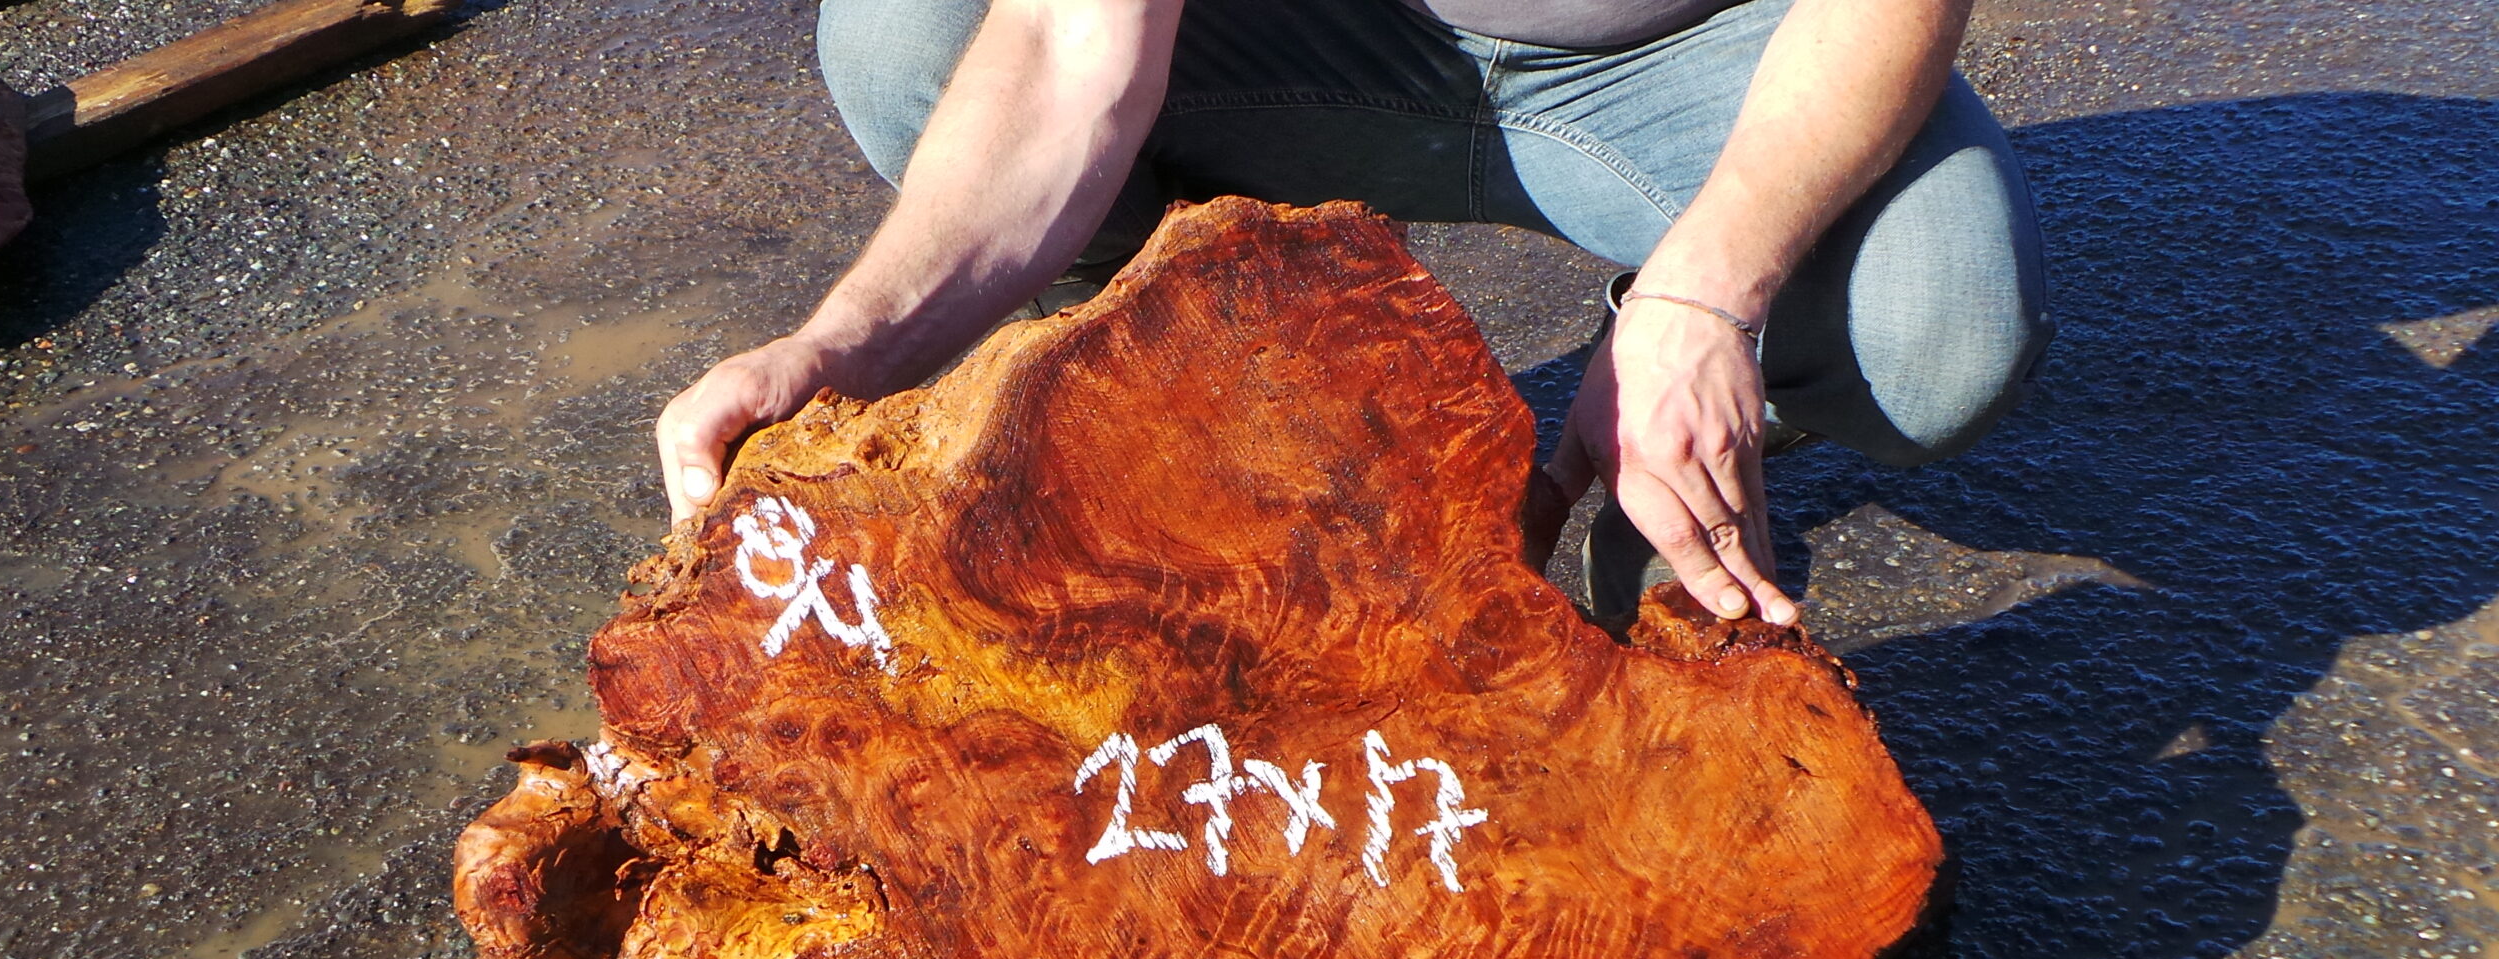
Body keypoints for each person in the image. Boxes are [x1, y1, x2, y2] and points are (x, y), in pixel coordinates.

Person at [655, 0, 2050, 629]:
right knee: (915, 32)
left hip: (1693, 50)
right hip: (1321, 35)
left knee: (1936, 324)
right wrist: (842, 350)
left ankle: (1682, 400)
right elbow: (1065, 49)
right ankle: (1159, 375)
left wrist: (1705, 295)